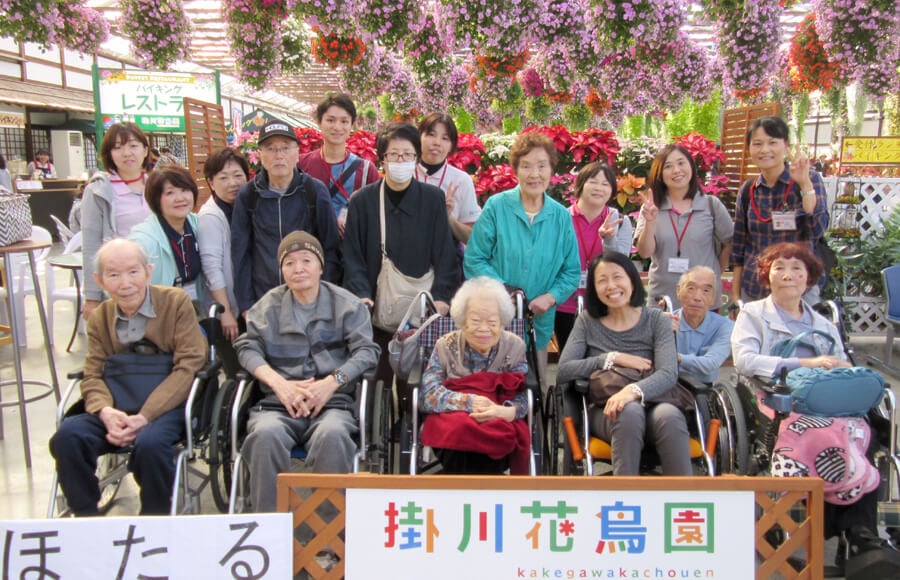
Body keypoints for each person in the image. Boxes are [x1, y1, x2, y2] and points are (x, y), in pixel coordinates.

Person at [732, 242, 900, 575]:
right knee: (822, 437)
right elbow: (745, 361)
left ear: (809, 278)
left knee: (861, 434)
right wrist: (804, 362)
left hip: (828, 404)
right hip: (776, 400)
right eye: (780, 267)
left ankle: (860, 533)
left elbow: (841, 364)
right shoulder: (753, 314)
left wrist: (837, 367)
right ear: (768, 275)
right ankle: (829, 530)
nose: (789, 275)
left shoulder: (823, 322)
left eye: (798, 268)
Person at [49, 239, 207, 515]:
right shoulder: (100, 317)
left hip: (165, 406)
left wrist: (145, 416)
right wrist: (105, 411)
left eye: (133, 272)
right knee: (68, 436)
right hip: (117, 404)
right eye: (113, 274)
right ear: (99, 280)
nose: (125, 283)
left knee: (151, 445)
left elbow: (189, 365)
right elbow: (93, 373)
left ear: (148, 271)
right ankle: (86, 515)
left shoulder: (175, 302)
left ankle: (154, 520)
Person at [234, 231, 380, 512]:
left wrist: (331, 383)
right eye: (289, 263)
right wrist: (278, 383)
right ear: (281, 270)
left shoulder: (347, 304)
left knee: (334, 436)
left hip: (332, 403)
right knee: (263, 436)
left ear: (321, 266)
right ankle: (270, 532)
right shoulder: (267, 307)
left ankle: (328, 539)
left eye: (306, 260)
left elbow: (367, 351)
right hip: (278, 404)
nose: (298, 269)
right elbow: (246, 348)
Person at [342, 122, 458, 389]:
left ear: (416, 158)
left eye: (407, 154)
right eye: (393, 154)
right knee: (375, 381)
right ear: (382, 158)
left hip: (421, 309)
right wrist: (362, 294)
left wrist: (441, 298)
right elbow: (352, 255)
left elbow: (445, 253)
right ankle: (374, 425)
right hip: (377, 307)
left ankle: (408, 427)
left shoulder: (432, 199)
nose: (400, 160)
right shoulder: (363, 201)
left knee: (415, 382)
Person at [557, 252, 690, 476]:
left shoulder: (657, 320)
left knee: (670, 416)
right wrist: (610, 358)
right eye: (602, 280)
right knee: (628, 412)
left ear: (631, 280)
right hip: (607, 410)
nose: (611, 286)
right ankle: (625, 499)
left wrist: (632, 390)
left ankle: (684, 501)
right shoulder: (587, 322)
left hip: (656, 401)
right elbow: (563, 370)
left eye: (617, 277)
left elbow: (668, 372)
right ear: (594, 288)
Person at [464, 131, 580, 387]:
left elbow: (571, 271)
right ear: (516, 170)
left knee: (534, 389)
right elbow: (474, 259)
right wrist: (505, 292)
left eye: (541, 166)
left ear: (551, 170)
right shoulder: (497, 207)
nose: (534, 174)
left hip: (537, 322)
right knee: (494, 389)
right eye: (526, 166)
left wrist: (550, 298)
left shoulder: (561, 217)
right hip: (495, 317)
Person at [420, 276, 530, 474]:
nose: (484, 329)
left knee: (499, 432)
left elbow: (524, 396)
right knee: (460, 429)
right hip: (454, 422)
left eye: (492, 322)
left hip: (498, 416)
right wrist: (470, 402)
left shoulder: (515, 347)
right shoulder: (445, 345)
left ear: (503, 322)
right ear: (462, 321)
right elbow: (429, 395)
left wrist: (504, 411)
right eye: (476, 321)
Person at [231, 120, 340, 318]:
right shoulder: (248, 195)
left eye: (285, 148)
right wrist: (246, 304)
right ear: (260, 155)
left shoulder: (314, 191)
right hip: (265, 299)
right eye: (271, 149)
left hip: (310, 298)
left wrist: (326, 294)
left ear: (297, 152)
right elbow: (241, 253)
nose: (279, 155)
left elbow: (330, 247)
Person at [731, 116, 828, 306]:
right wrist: (736, 295)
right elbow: (739, 247)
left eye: (772, 143)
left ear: (786, 146)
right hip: (755, 289)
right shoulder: (748, 190)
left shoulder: (809, 179)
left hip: (798, 290)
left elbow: (817, 229)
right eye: (757, 144)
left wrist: (804, 184)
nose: (764, 150)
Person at [635, 144, 733, 309]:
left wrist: (714, 273)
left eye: (681, 163)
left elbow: (730, 243)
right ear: (659, 174)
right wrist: (650, 223)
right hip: (663, 300)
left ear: (691, 168)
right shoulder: (652, 207)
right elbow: (644, 252)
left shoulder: (710, 205)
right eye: (668, 166)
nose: (676, 170)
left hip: (702, 301)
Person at [555, 161, 632, 352]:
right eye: (593, 182)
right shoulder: (561, 219)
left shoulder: (620, 221)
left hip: (605, 303)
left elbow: (620, 266)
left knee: (601, 363)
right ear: (580, 184)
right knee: (570, 359)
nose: (599, 188)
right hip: (566, 303)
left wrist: (609, 241)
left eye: (606, 184)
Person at [81, 122, 153, 321]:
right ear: (109, 154)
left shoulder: (157, 183)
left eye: (133, 145)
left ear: (145, 150)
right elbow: (90, 244)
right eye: (118, 147)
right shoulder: (99, 190)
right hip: (120, 283)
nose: (126, 153)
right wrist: (92, 297)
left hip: (155, 278)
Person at [298, 93, 379, 237]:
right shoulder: (301, 165)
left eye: (344, 121)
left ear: (352, 124)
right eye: (330, 120)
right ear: (319, 122)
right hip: (310, 251)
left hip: (350, 251)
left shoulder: (366, 170)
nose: (337, 127)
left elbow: (375, 215)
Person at [128, 166, 204, 306]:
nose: (180, 198)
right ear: (156, 199)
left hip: (194, 308)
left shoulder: (198, 224)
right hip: (159, 313)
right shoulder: (142, 240)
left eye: (185, 190)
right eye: (170, 193)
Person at [198, 148, 250, 342]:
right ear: (211, 182)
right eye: (223, 178)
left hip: (245, 304)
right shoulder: (211, 216)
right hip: (228, 309)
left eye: (238, 175)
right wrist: (225, 311)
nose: (233, 184)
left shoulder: (244, 207)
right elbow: (212, 268)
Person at [416, 113, 482, 244]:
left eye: (445, 138)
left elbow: (474, 239)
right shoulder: (406, 174)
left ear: (451, 145)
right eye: (431, 135)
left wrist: (448, 218)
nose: (437, 143)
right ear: (419, 137)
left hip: (446, 259)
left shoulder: (461, 181)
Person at [668, 266, 733, 384]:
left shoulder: (725, 326)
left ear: (713, 297)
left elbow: (710, 364)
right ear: (678, 291)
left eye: (706, 291)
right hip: (669, 386)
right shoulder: (666, 321)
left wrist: (675, 357)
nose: (697, 297)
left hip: (704, 391)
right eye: (691, 288)